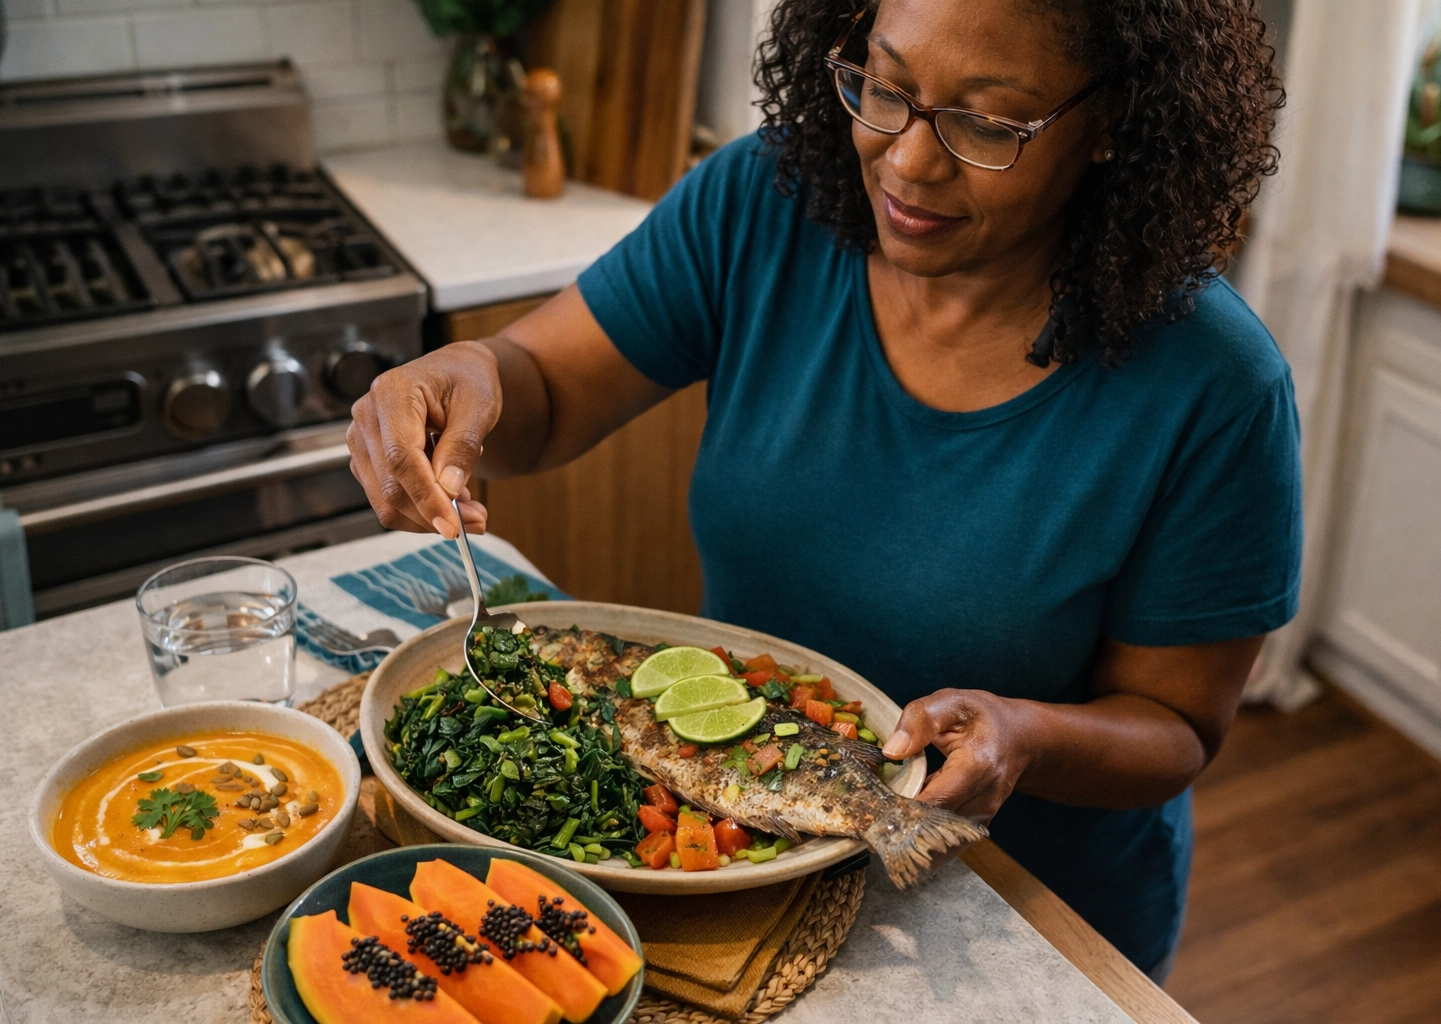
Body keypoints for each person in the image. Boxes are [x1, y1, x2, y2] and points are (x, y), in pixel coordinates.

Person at [347, 0, 1296, 980]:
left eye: (985, 124)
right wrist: (471, 376)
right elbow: (543, 387)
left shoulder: (1217, 387)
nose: (908, 163)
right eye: (884, 89)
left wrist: (1025, 737)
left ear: (1113, 124)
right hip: (732, 867)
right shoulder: (765, 201)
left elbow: (1176, 727)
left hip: (1008, 915)